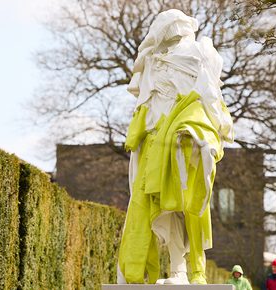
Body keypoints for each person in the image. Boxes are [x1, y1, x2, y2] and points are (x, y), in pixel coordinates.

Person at [116, 9, 234, 285]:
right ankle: (177, 270)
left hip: (185, 139)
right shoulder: (153, 62)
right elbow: (145, 107)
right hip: (156, 144)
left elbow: (209, 101)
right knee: (161, 210)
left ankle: (191, 271)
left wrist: (203, 138)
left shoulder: (197, 56)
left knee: (186, 208)